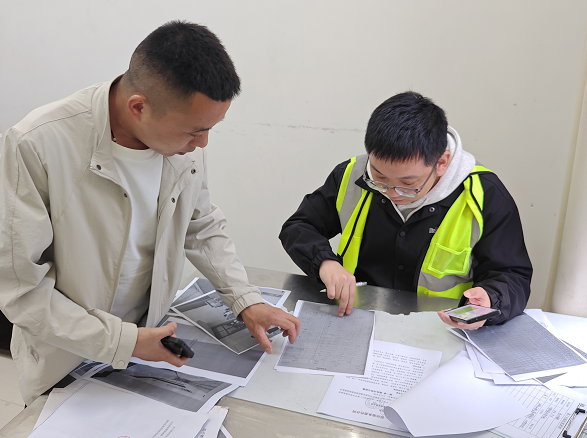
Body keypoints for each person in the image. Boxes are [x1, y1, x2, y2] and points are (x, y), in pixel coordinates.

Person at [0, 20, 299, 405]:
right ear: (139, 107)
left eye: (210, 129)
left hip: (149, 343)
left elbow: (201, 226)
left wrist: (246, 299)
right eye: (194, 131)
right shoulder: (37, 145)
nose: (203, 143)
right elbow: (22, 290)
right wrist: (122, 341)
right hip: (67, 354)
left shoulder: (182, 147)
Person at [280, 91, 531, 329]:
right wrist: (325, 263)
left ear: (441, 163)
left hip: (441, 330)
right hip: (357, 318)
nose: (391, 193)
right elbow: (299, 226)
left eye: (408, 184)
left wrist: (489, 299)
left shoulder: (484, 195)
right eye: (379, 178)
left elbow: (512, 274)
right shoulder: (352, 175)